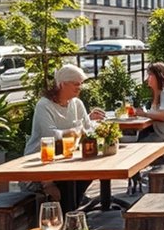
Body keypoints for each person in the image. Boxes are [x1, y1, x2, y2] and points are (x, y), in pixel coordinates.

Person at [24, 64, 106, 212]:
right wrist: (76, 131)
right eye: (76, 84)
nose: (79, 87)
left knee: (91, 172)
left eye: (80, 84)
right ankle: (69, 216)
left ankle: (71, 215)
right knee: (69, 182)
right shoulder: (44, 105)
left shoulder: (77, 103)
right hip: (41, 162)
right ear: (62, 84)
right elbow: (51, 135)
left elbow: (87, 130)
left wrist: (102, 128)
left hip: (68, 159)